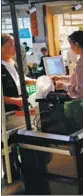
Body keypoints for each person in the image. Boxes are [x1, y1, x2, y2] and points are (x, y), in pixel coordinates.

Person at [1, 33, 36, 181]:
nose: (15, 47)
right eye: (11, 45)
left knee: (21, 137)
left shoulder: (12, 62)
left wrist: (36, 82)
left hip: (19, 110)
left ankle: (21, 167)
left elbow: (20, 80)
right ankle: (11, 174)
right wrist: (16, 101)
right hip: (6, 114)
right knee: (8, 144)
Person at [51, 31, 83, 116]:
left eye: (71, 44)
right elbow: (81, 78)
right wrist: (61, 78)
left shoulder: (81, 64)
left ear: (77, 44)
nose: (70, 47)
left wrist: (64, 86)